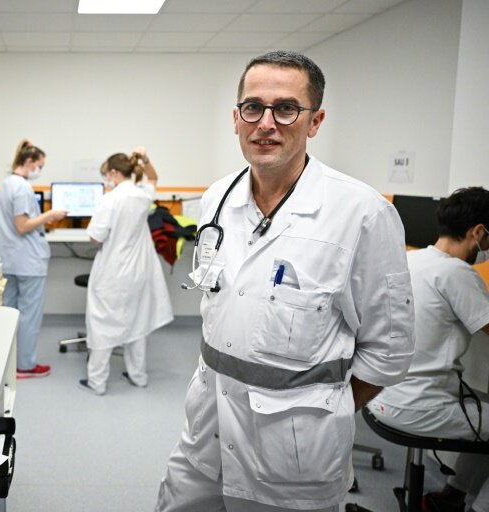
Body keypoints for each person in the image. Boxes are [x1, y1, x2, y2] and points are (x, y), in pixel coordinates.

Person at [154, 50, 414, 512]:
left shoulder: (362, 214)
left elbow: (390, 349)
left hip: (295, 457)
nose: (266, 123)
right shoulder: (217, 198)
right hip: (206, 433)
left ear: (314, 121)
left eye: (286, 108)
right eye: (253, 107)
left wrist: (320, 409)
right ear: (236, 119)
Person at [369, 187, 489, 512]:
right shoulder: (458, 273)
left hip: (378, 395)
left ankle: (450, 497)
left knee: (483, 405)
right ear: (477, 232)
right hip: (417, 407)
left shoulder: (409, 259)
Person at [78, 148, 174, 395]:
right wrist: (146, 159)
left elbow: (94, 237)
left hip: (113, 271)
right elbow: (153, 178)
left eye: (106, 175)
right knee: (137, 319)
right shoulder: (141, 196)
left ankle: (97, 382)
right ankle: (138, 376)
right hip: (140, 271)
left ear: (113, 172)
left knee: (102, 323)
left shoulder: (109, 199)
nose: (106, 180)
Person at [0, 140, 66, 378]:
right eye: (40, 165)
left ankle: (6, 363)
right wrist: (50, 214)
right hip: (28, 262)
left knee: (9, 313)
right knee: (29, 316)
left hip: (11, 259)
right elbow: (23, 226)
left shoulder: (6, 184)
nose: (40, 170)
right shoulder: (22, 187)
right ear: (29, 162)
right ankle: (25, 366)